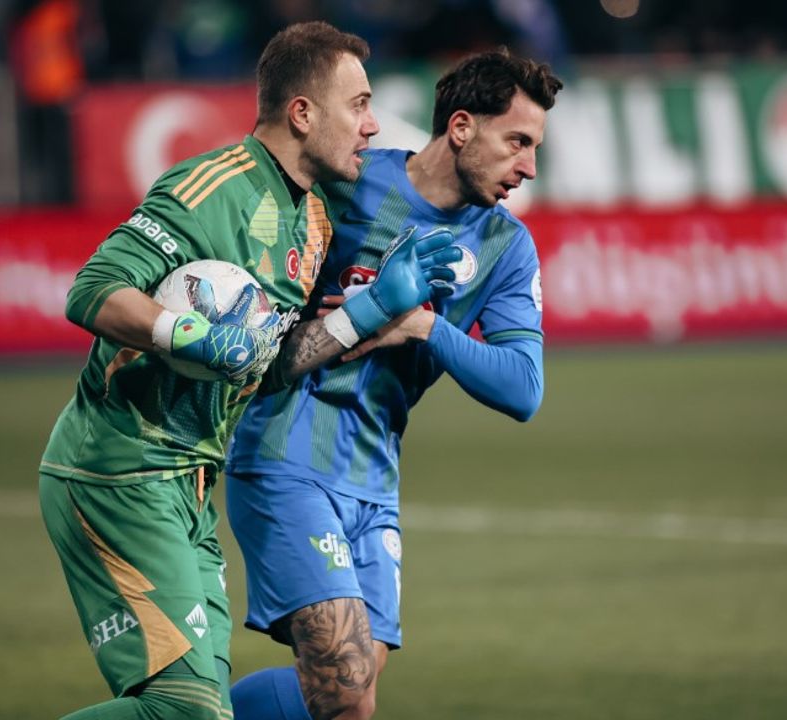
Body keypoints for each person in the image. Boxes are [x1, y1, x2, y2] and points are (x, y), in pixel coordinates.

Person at [37, 21, 460, 720]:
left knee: (206, 710)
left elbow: (270, 363)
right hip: (119, 470)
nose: (372, 124)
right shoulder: (210, 189)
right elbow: (93, 290)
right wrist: (192, 333)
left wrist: (370, 310)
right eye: (358, 105)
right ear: (303, 113)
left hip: (191, 482)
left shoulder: (313, 219)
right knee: (183, 709)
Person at [226, 48, 564, 720]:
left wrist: (423, 326)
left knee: (343, 698)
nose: (529, 166)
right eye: (517, 142)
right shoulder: (349, 183)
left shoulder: (506, 247)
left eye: (534, 147)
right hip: (286, 454)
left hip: (374, 479)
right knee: (346, 678)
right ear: (461, 127)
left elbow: (523, 390)